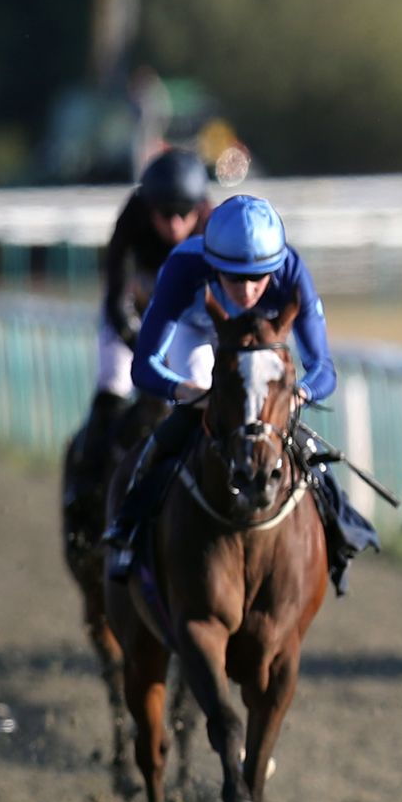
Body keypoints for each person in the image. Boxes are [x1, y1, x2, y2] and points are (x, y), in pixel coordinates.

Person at [100, 194, 335, 577]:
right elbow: (144, 367)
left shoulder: (292, 274)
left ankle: (337, 529)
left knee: (295, 437)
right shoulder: (183, 269)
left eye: (257, 279)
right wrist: (183, 391)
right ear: (213, 267)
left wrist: (300, 394)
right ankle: (130, 522)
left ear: (274, 268)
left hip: (260, 344)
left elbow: (323, 367)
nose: (245, 292)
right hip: (197, 334)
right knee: (197, 415)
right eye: (233, 278)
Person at [66, 148, 212, 532]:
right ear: (150, 209)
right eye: (166, 215)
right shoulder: (131, 218)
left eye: (186, 214)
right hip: (132, 320)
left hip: (189, 325)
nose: (177, 224)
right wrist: (142, 351)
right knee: (112, 389)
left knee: (206, 393)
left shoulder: (214, 225)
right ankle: (86, 485)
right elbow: (116, 299)